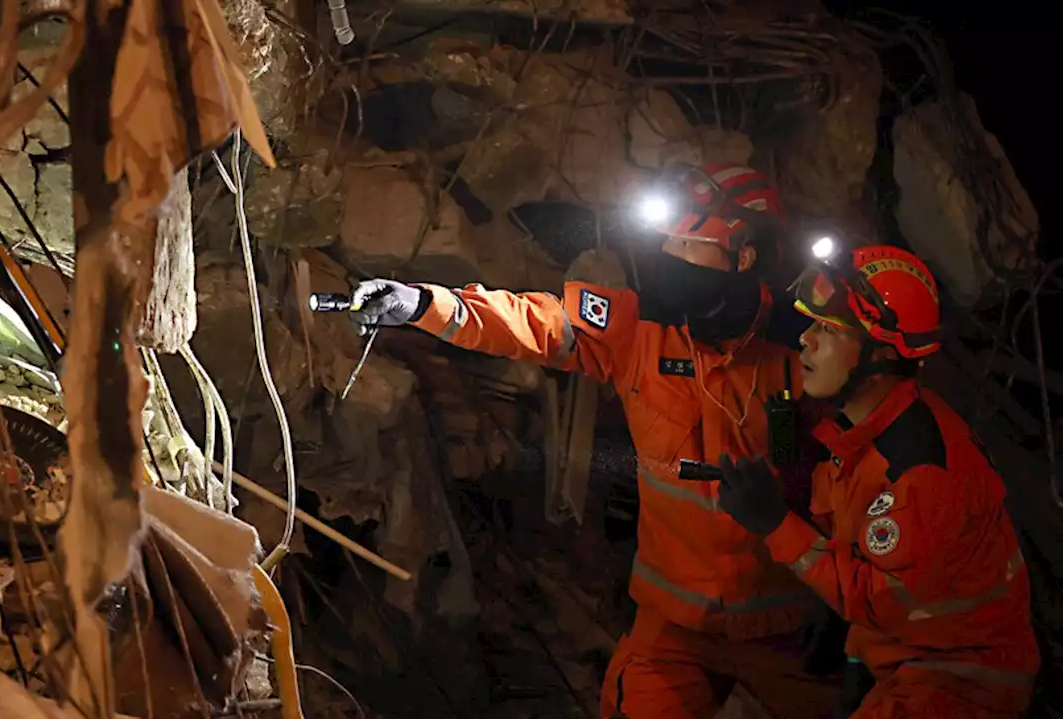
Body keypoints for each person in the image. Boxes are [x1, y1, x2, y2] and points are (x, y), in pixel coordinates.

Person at [349, 163, 841, 718]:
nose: (670, 257)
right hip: (673, 626)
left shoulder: (806, 351)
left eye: (690, 242)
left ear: (744, 257)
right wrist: (421, 305)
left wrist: (837, 601)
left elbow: (849, 480)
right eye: (669, 240)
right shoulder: (639, 329)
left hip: (786, 625)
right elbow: (536, 321)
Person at [714, 241, 1039, 718]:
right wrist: (852, 650)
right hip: (909, 659)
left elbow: (877, 599)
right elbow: (863, 556)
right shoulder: (862, 430)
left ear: (881, 353)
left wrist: (775, 524)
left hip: (963, 685)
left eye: (827, 329)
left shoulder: (918, 471)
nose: (805, 339)